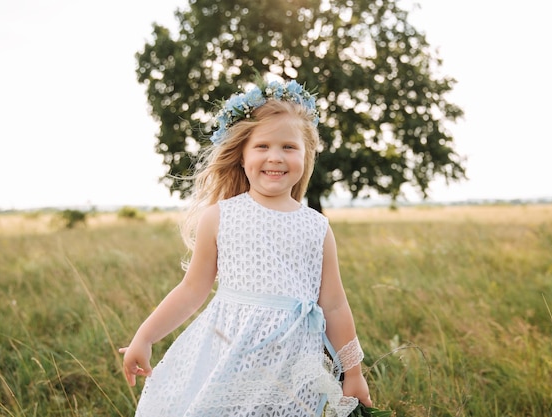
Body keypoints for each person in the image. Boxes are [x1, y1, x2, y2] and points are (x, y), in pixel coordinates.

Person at [119, 77, 372, 417]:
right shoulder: (221, 217)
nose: (276, 157)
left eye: (289, 147)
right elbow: (192, 289)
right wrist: (145, 337)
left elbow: (335, 306)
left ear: (306, 154)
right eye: (263, 146)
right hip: (230, 358)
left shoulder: (317, 227)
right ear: (241, 155)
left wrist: (352, 372)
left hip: (293, 367)